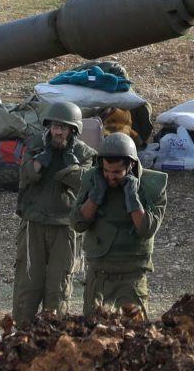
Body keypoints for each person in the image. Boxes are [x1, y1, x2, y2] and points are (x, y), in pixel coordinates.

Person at [12, 101, 96, 324]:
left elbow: (87, 185)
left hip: (65, 227)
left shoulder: (84, 154)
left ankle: (53, 334)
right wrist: (43, 158)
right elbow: (25, 175)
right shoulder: (35, 145)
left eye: (64, 127)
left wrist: (70, 165)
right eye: (54, 126)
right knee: (27, 286)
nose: (58, 132)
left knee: (58, 288)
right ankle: (21, 333)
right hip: (34, 224)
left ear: (73, 130)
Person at [70, 132, 166, 317]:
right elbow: (77, 223)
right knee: (94, 331)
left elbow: (146, 229)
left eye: (116, 173)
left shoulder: (153, 185)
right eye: (106, 171)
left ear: (131, 166)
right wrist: (96, 196)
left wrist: (132, 197)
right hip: (99, 276)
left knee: (134, 332)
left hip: (132, 278)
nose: (110, 177)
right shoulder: (93, 179)